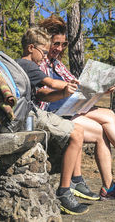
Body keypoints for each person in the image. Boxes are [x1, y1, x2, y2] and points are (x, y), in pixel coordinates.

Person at [37, 15, 115, 199]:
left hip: (67, 110)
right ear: (46, 41)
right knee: (108, 116)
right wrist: (66, 91)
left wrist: (102, 90)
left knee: (104, 130)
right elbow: (41, 93)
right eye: (56, 44)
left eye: (63, 44)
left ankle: (110, 186)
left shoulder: (58, 65)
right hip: (51, 115)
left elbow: (77, 87)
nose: (60, 48)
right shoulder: (39, 63)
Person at [16, 27, 89, 215]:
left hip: (29, 113)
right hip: (30, 115)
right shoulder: (27, 65)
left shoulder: (20, 65)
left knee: (77, 131)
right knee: (77, 133)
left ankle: (68, 187)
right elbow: (51, 83)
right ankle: (64, 192)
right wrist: (71, 85)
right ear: (31, 47)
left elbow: (45, 95)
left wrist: (64, 92)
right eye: (44, 52)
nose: (45, 57)